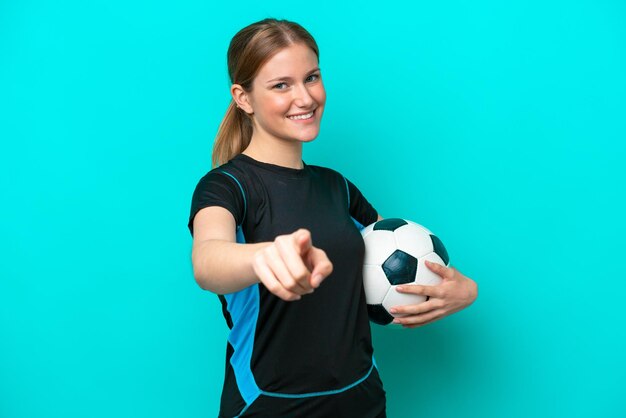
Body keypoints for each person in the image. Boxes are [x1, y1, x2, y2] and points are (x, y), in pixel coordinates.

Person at [187, 18, 478, 418]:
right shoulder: (226, 187)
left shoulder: (338, 188)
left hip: (363, 401)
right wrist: (264, 257)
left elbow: (394, 261)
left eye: (312, 77)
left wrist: (460, 291)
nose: (305, 98)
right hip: (270, 407)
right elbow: (208, 260)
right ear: (244, 98)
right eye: (281, 85)